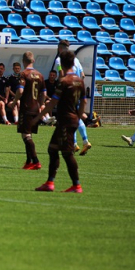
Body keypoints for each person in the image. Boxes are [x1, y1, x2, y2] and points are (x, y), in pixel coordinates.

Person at [31, 50, 85, 193]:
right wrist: (78, 117)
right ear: (73, 62)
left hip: (65, 121)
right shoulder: (79, 81)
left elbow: (52, 102)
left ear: (61, 63)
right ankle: (50, 183)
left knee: (67, 153)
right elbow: (83, 101)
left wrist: (38, 117)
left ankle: (76, 185)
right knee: (52, 149)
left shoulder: (64, 81)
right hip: (71, 119)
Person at [8, 52, 46, 170]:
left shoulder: (24, 74)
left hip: (26, 107)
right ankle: (29, 161)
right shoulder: (40, 75)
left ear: (23, 61)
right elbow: (44, 93)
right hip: (36, 108)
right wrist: (41, 104)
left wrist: (14, 103)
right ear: (33, 61)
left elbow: (20, 91)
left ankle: (36, 161)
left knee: (26, 136)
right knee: (28, 134)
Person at [54, 40, 92, 155]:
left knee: (67, 118)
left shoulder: (59, 59)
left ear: (60, 48)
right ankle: (82, 142)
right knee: (75, 116)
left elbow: (61, 75)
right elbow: (83, 75)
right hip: (77, 89)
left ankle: (75, 143)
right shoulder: (75, 59)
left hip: (67, 90)